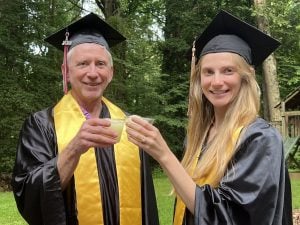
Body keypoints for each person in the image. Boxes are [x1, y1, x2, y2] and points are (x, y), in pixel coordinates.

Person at [126, 10, 293, 225]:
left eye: (228, 71)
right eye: (208, 72)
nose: (216, 82)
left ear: (246, 77)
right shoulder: (200, 134)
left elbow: (227, 217)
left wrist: (163, 154)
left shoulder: (260, 139)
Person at [11, 13, 159, 225]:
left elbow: (146, 201)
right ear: (66, 72)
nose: (92, 73)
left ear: (111, 72)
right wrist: (74, 149)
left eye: (100, 64)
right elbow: (28, 196)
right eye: (82, 64)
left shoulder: (129, 124)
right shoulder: (42, 125)